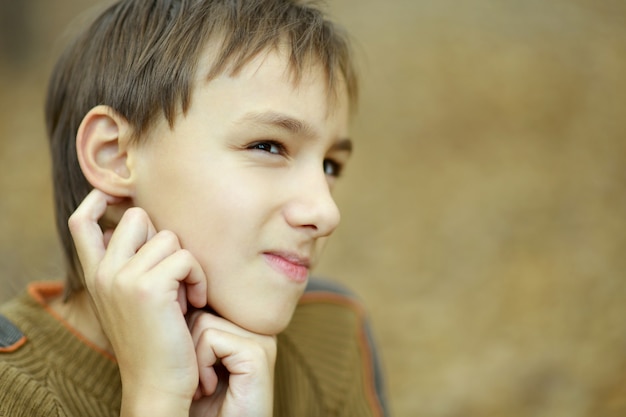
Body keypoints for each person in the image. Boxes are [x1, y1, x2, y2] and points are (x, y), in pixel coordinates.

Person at [0, 0, 388, 416]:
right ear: (114, 155)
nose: (326, 212)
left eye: (330, 165)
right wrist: (156, 397)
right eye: (268, 146)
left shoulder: (329, 337)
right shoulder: (13, 388)